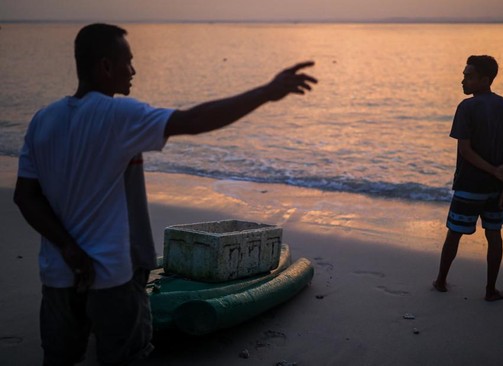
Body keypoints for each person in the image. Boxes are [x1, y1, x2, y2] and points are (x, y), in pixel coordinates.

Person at [13, 23, 317, 365]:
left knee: (59, 358)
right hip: (113, 277)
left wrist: (68, 247)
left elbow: (25, 196)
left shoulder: (43, 120)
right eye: (127, 61)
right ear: (106, 67)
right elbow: (194, 119)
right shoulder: (117, 116)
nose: (134, 70)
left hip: (57, 274)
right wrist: (266, 92)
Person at [433, 55, 503, 302]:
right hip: (496, 188)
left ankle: (441, 281)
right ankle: (490, 290)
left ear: (485, 80)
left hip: (469, 185)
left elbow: (465, 150)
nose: (463, 80)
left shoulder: (467, 107)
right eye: (464, 75)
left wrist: (493, 171)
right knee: (494, 234)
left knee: (454, 233)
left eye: (469, 76)